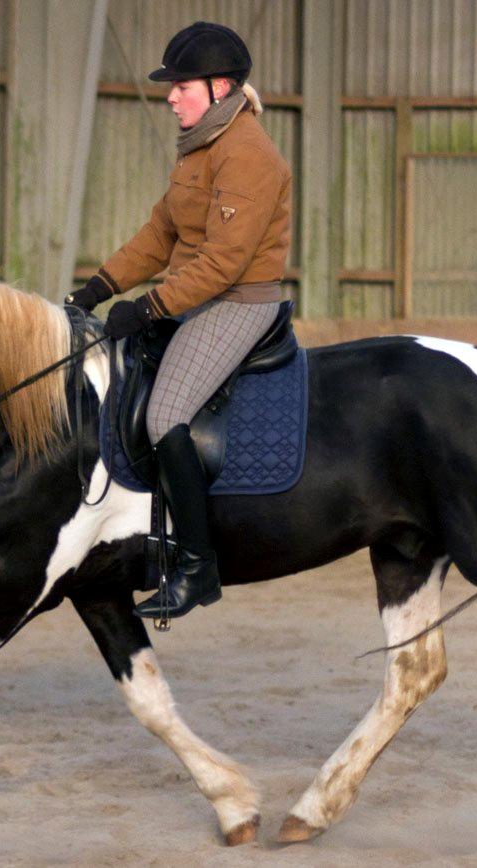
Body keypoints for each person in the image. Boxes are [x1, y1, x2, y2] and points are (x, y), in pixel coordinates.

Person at [66, 21, 292, 620]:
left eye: (180, 86)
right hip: (196, 296)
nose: (170, 96)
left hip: (239, 301)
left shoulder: (249, 155)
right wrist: (98, 288)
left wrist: (148, 306)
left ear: (219, 87)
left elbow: (223, 263)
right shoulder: (200, 149)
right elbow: (161, 234)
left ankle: (198, 568)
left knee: (167, 413)